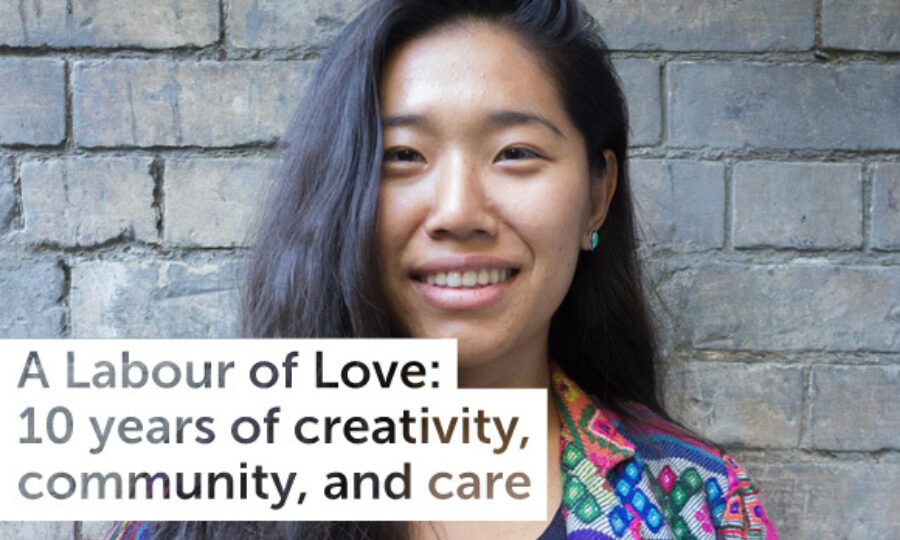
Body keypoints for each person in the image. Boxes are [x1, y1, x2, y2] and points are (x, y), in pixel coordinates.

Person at [114, 0, 778, 538]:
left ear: (596, 197)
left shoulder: (701, 509)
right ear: (336, 191)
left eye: (516, 152)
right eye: (402, 156)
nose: (459, 211)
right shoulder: (197, 502)